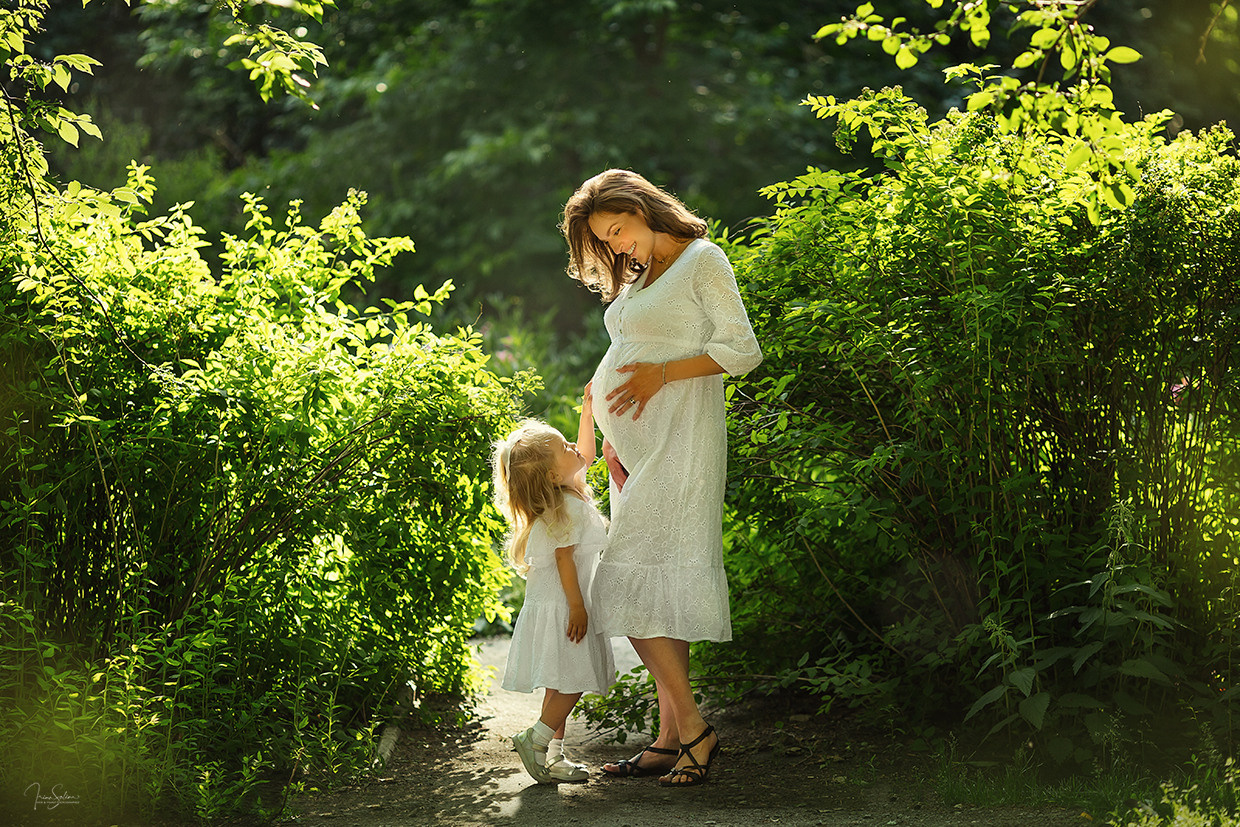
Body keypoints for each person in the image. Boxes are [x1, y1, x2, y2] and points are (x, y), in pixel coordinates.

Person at [560, 169, 762, 786]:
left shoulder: (703, 260)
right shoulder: (641, 272)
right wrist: (607, 425)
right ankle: (669, 737)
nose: (618, 247)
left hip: (683, 447)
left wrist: (661, 375)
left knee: (626, 585)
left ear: (643, 210)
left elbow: (743, 350)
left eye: (619, 230)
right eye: (606, 240)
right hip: (636, 455)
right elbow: (626, 345)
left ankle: (697, 728)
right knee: (658, 589)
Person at [493, 390, 615, 784]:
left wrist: (588, 410)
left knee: (560, 682)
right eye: (563, 446)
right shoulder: (566, 509)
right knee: (574, 682)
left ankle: (551, 755)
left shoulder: (563, 495)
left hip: (555, 604)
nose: (572, 447)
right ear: (551, 475)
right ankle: (537, 737)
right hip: (565, 606)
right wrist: (579, 607)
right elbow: (565, 560)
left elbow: (586, 453)